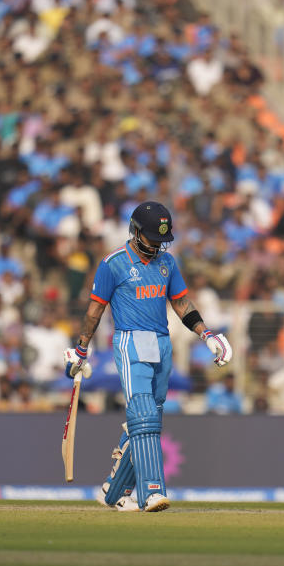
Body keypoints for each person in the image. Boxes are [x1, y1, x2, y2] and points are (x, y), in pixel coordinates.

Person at [64, 201, 232, 513]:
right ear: (135, 231)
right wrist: (81, 349)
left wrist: (206, 334)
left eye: (161, 240)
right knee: (143, 416)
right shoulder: (113, 263)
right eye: (151, 238)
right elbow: (93, 311)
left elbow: (181, 303)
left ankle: (113, 491)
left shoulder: (167, 262)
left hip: (162, 342)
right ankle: (151, 491)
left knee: (148, 419)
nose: (156, 245)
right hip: (130, 340)